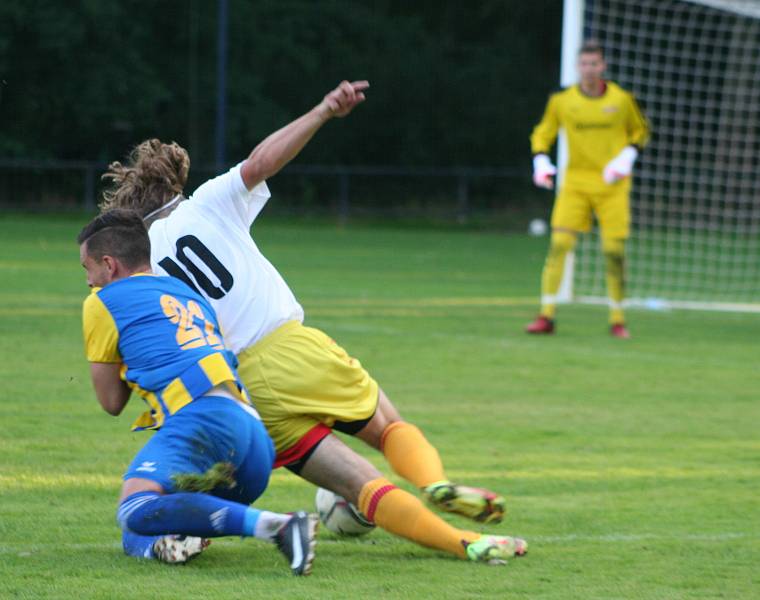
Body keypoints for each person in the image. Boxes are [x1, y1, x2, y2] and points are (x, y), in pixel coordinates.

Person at [100, 80, 527, 564]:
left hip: (236, 391)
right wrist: (323, 111)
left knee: (360, 484)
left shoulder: (138, 268)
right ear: (171, 188)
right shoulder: (205, 203)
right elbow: (262, 161)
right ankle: (435, 481)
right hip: (288, 350)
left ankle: (465, 544)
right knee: (388, 428)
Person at [78, 209, 317, 575]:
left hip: (205, 422)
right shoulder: (185, 292)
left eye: (88, 269)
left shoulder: (102, 301)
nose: (88, 281)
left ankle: (278, 526)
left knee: (133, 508)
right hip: (253, 435)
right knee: (149, 523)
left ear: (109, 265)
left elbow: (111, 402)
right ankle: (170, 543)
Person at [527, 40, 650, 338]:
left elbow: (640, 130)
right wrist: (541, 160)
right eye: (584, 64)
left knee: (613, 251)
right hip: (576, 183)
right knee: (559, 246)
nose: (589, 69)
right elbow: (543, 133)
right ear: (577, 66)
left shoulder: (621, 100)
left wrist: (627, 156)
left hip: (612, 184)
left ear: (603, 66)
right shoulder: (562, 101)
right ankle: (546, 315)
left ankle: (618, 319)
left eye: (595, 64)